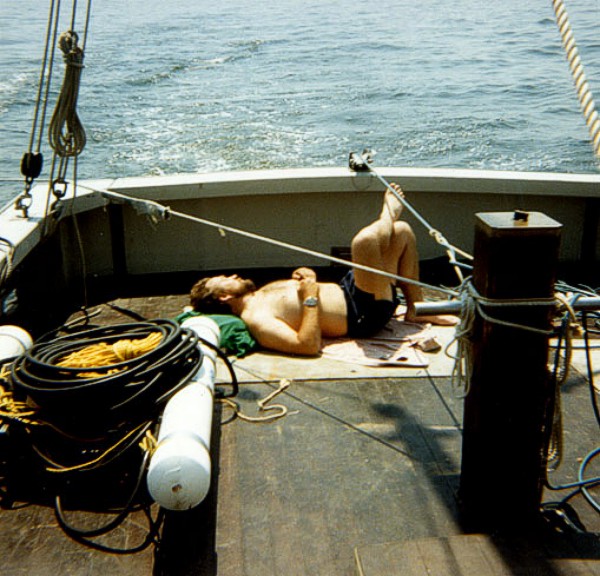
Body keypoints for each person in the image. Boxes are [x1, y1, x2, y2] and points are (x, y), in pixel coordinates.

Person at [190, 183, 457, 356]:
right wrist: (309, 296)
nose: (232, 275)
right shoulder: (257, 320)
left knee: (402, 233)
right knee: (364, 241)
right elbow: (307, 345)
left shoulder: (260, 294)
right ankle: (388, 213)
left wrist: (305, 277)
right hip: (363, 313)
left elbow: (304, 292)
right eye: (224, 279)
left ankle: (415, 309)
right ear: (223, 297)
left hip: (350, 288)